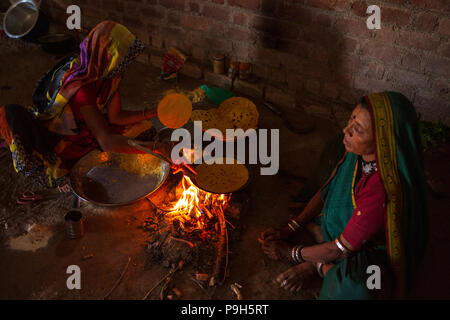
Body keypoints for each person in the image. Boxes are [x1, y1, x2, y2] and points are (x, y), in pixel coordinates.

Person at [259, 91, 429, 299]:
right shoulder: (358, 153)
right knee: (332, 149)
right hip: (348, 235)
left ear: (383, 142)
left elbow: (339, 251)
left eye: (357, 130)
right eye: (350, 120)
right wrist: (292, 226)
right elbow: (328, 189)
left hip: (371, 251)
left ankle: (319, 266)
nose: (345, 130)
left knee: (361, 287)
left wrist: (289, 252)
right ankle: (321, 241)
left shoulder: (383, 188)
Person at [0, 21, 167, 191]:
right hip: (62, 135)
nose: (126, 65)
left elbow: (116, 117)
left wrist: (156, 112)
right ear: (109, 56)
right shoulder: (81, 87)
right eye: (123, 59)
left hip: (87, 125)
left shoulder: (107, 74)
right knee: (77, 167)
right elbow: (108, 141)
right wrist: (158, 148)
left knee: (145, 130)